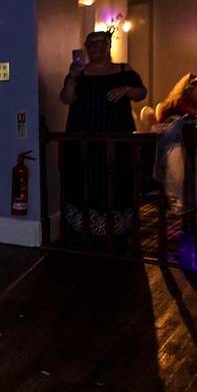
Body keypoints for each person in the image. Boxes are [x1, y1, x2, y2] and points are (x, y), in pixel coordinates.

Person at [59, 31, 147, 239]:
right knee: (83, 180)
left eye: (100, 44)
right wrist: (71, 77)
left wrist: (126, 90)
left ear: (107, 47)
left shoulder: (124, 70)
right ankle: (83, 228)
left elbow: (141, 93)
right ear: (86, 48)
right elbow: (66, 98)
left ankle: (118, 228)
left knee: (117, 180)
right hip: (83, 138)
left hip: (116, 139)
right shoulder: (79, 73)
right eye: (91, 45)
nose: (95, 48)